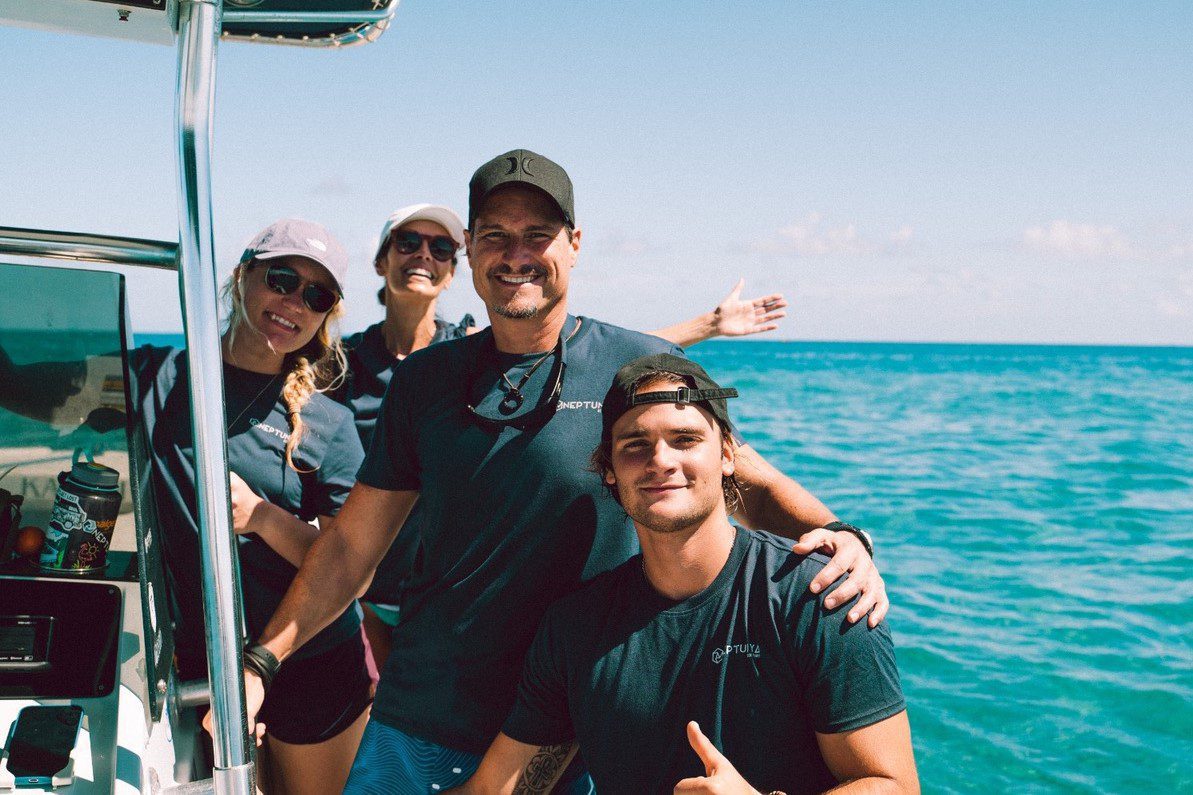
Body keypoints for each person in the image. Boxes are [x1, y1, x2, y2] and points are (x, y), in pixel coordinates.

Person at [243, 150, 888, 793]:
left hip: (577, 734)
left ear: (575, 244)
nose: (515, 253)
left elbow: (738, 478)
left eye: (537, 236)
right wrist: (262, 660)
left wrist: (842, 538)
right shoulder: (424, 383)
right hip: (422, 720)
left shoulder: (639, 366)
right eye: (495, 235)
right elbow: (353, 546)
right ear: (469, 250)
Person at [0, 219, 374, 793]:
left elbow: (354, 569)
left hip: (309, 659)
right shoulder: (155, 378)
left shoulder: (331, 424)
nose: (294, 302)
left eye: (316, 295)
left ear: (326, 316)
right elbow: (31, 391)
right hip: (200, 667)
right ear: (241, 276)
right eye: (281, 278)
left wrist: (263, 519)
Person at [345, 203, 790, 668]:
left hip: (462, 588)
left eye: (440, 247)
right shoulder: (352, 364)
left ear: (458, 264)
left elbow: (591, 358)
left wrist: (707, 326)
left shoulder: (470, 347)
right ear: (381, 259)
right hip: (386, 583)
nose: (423, 255)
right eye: (407, 242)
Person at [453, 354, 918, 794]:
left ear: (728, 456)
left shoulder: (815, 593)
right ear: (608, 469)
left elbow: (893, 783)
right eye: (635, 446)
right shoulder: (575, 628)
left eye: (686, 439)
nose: (661, 460)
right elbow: (500, 787)